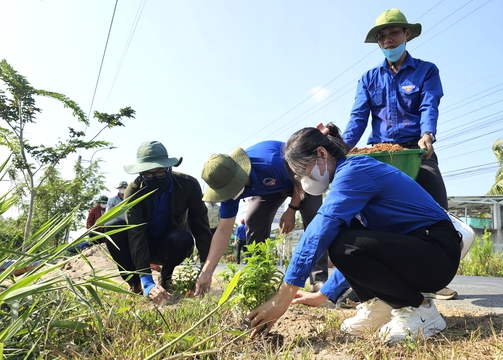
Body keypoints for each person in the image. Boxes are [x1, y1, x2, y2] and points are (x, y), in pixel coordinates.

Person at [246, 124, 461, 343]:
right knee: (343, 235)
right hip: (420, 249)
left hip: (437, 251)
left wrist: (283, 296)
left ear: (322, 153)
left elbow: (323, 230)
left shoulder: (354, 170)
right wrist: (323, 294)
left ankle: (421, 311)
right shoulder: (348, 176)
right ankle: (381, 306)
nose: (302, 181)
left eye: (302, 171)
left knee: (341, 241)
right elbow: (365, 246)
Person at [341, 8, 457, 301]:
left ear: (407, 35)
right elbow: (358, 118)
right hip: (379, 155)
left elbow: (429, 105)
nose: (388, 40)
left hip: (416, 151)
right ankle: (368, 281)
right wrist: (342, 148)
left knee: (435, 206)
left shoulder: (426, 71)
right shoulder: (368, 79)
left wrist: (427, 134)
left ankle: (435, 275)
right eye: (382, 37)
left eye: (394, 33)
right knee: (363, 214)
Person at [193, 140, 327, 295]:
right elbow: (223, 231)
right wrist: (207, 272)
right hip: (269, 190)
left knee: (314, 219)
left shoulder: (271, 162)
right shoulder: (227, 189)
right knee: (253, 221)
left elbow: (302, 178)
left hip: (301, 180)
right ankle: (260, 278)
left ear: (240, 176)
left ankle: (319, 280)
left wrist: (291, 210)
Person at [105, 141, 212, 300]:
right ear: (141, 173)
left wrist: (206, 269)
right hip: (142, 245)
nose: (155, 178)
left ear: (170, 168)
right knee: (113, 228)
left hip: (170, 244)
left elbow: (201, 227)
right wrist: (147, 281)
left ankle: (165, 277)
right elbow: (136, 234)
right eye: (148, 174)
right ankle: (135, 284)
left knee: (182, 238)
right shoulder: (134, 190)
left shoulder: (188, 186)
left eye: (161, 173)